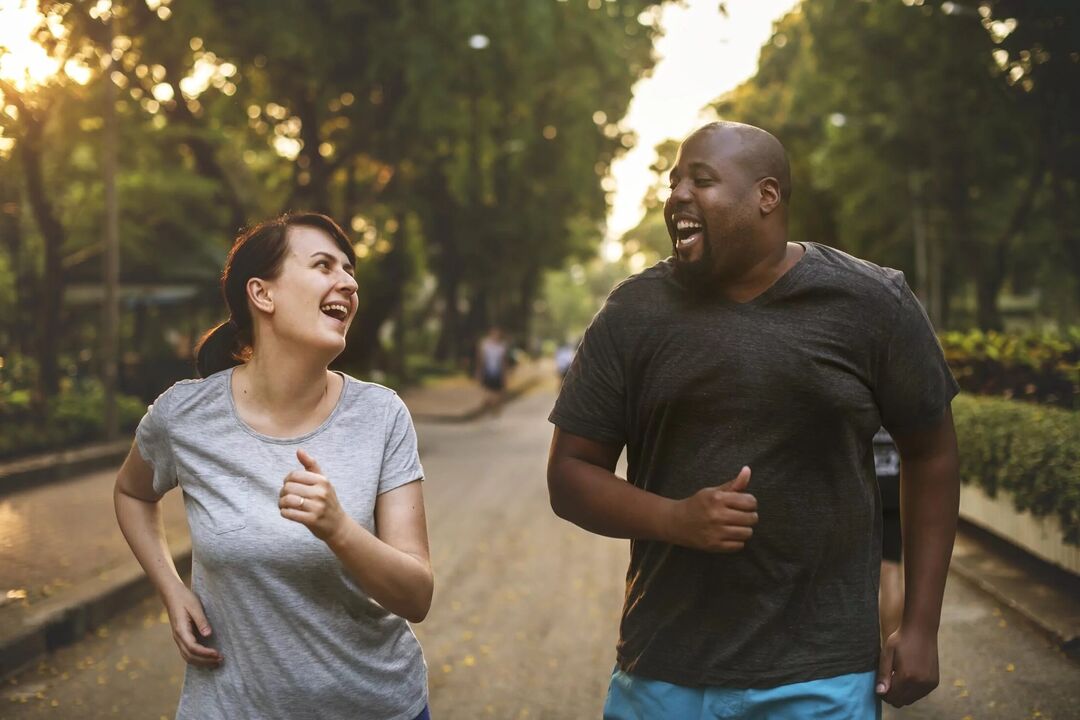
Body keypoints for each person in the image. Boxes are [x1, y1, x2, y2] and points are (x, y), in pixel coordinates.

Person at [547, 121, 960, 718]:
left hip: (821, 678)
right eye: (675, 182)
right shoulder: (632, 313)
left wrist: (921, 625)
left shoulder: (872, 303)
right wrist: (675, 518)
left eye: (703, 180)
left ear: (766, 196)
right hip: (664, 674)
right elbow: (569, 474)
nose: (678, 195)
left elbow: (932, 453)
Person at [114, 213, 433, 720]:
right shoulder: (184, 416)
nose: (348, 283)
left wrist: (338, 529)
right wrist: (172, 590)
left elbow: (417, 595)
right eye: (324, 265)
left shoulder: (381, 415)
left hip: (376, 706)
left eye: (350, 271)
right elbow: (132, 494)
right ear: (262, 294)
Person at [875, 427, 905, 642]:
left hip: (864, 491)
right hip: (896, 490)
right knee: (891, 570)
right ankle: (890, 647)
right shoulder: (896, 393)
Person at [476, 326, 509, 414]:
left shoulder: (501, 346)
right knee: (488, 391)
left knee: (498, 393)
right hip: (487, 371)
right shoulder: (485, 344)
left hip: (497, 372)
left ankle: (492, 406)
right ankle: (490, 405)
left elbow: (503, 362)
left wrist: (504, 375)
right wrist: (479, 372)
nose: (496, 336)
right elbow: (481, 359)